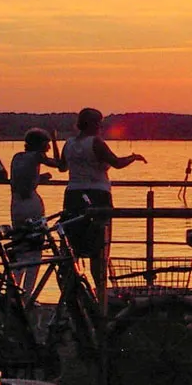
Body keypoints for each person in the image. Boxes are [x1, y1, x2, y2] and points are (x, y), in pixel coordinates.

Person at [57, 108, 146, 294]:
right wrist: (133, 157)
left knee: (73, 246)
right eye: (99, 122)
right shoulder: (96, 142)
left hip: (73, 195)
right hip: (97, 195)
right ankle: (100, 293)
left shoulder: (69, 143)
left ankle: (71, 292)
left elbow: (62, 167)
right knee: (99, 247)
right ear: (91, 124)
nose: (101, 126)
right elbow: (117, 163)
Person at [9, 128, 61, 295]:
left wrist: (39, 178)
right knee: (35, 250)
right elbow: (61, 165)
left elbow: (21, 179)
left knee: (20, 248)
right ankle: (27, 294)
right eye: (46, 144)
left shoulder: (17, 157)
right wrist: (55, 140)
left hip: (16, 204)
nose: (47, 147)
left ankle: (13, 291)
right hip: (31, 203)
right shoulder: (37, 157)